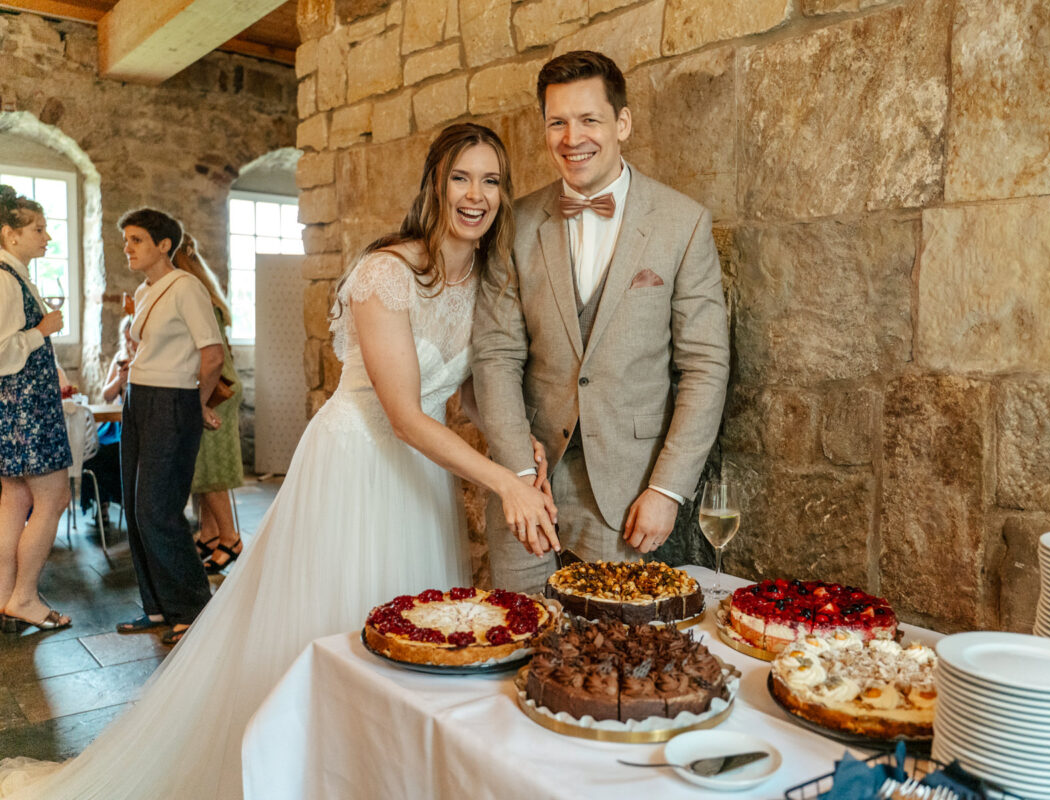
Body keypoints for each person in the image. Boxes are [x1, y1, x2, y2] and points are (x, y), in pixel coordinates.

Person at [0, 123, 554, 800]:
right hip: (359, 464)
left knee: (418, 633)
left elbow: (461, 387)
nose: (476, 195)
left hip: (423, 476)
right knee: (342, 623)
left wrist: (513, 442)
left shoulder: (485, 278)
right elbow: (406, 414)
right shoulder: (388, 272)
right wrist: (504, 484)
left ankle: (389, 777)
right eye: (460, 178)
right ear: (434, 186)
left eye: (491, 180)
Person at [473, 50, 730, 594]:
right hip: (530, 491)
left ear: (622, 123)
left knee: (617, 663)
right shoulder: (512, 223)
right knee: (521, 651)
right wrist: (518, 474)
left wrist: (667, 489)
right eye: (557, 122)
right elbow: (495, 355)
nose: (572, 138)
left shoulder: (683, 224)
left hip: (631, 499)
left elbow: (705, 366)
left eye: (589, 119)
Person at [115, 208, 225, 646]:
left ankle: (194, 608)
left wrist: (194, 402)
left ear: (164, 245)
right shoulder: (145, 290)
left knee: (157, 509)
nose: (128, 248)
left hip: (171, 400)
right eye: (126, 240)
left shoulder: (186, 287)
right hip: (138, 398)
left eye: (137, 239)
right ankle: (158, 605)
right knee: (135, 505)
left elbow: (212, 353)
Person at [0, 185, 72, 633]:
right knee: (54, 498)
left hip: (17, 411)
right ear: (9, 234)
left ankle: (7, 595)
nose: (47, 238)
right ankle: (25, 597)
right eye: (38, 229)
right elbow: (3, 352)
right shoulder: (6, 280)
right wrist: (42, 330)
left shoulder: (14, 275)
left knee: (14, 500)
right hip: (27, 412)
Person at [171, 233, 245, 574]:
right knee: (201, 468)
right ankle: (211, 533)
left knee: (210, 470)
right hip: (215, 386)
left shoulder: (193, 295)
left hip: (215, 390)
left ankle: (230, 538)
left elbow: (208, 356)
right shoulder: (204, 292)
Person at [78, 316, 135, 525]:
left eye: (132, 339)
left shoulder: (147, 362)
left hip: (132, 425)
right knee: (92, 450)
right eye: (126, 339)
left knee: (117, 452)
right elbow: (107, 395)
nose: (129, 344)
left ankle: (126, 503)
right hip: (115, 425)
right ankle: (100, 505)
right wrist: (120, 379)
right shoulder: (120, 359)